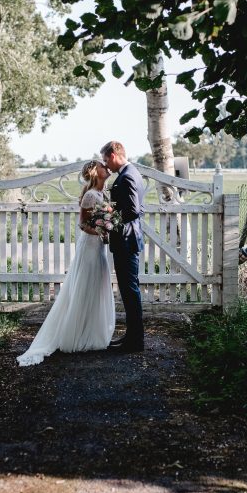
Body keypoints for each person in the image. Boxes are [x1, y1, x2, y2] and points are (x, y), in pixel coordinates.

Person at [16, 160, 115, 367]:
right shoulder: (90, 195)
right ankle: (78, 334)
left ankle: (91, 331)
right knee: (86, 285)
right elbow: (83, 224)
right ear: (95, 172)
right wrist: (101, 231)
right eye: (102, 166)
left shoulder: (103, 193)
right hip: (90, 246)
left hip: (99, 245)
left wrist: (107, 228)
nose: (107, 168)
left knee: (97, 286)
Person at [100, 141, 145, 353]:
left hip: (126, 240)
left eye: (106, 159)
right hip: (127, 239)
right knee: (128, 290)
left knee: (130, 291)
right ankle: (131, 336)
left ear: (113, 155)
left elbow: (133, 210)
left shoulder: (127, 176)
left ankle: (135, 341)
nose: (105, 165)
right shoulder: (129, 173)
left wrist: (109, 220)